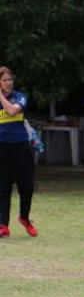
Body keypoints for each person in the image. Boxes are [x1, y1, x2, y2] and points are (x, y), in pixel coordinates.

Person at [0, 66, 37, 238]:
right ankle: (3, 225)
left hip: (21, 146)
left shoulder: (20, 97)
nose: (8, 83)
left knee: (26, 186)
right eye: (4, 80)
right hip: (2, 148)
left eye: (10, 79)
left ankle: (24, 218)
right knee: (3, 188)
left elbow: (12, 110)